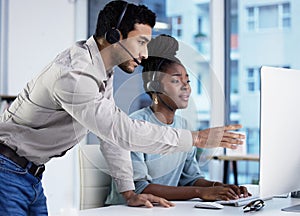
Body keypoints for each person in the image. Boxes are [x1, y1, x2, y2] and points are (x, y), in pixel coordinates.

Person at [0, 0, 244, 214]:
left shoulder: (101, 71)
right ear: (114, 36)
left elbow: (111, 136)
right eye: (141, 42)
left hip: (28, 175)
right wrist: (196, 139)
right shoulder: (76, 75)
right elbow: (121, 131)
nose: (145, 54)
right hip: (8, 171)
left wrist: (129, 193)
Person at [104, 34, 251, 205]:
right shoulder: (135, 126)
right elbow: (140, 188)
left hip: (162, 208)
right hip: (126, 210)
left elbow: (191, 179)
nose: (186, 86)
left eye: (187, 81)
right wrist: (201, 192)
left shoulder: (183, 127)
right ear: (154, 87)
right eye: (175, 80)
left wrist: (222, 187)